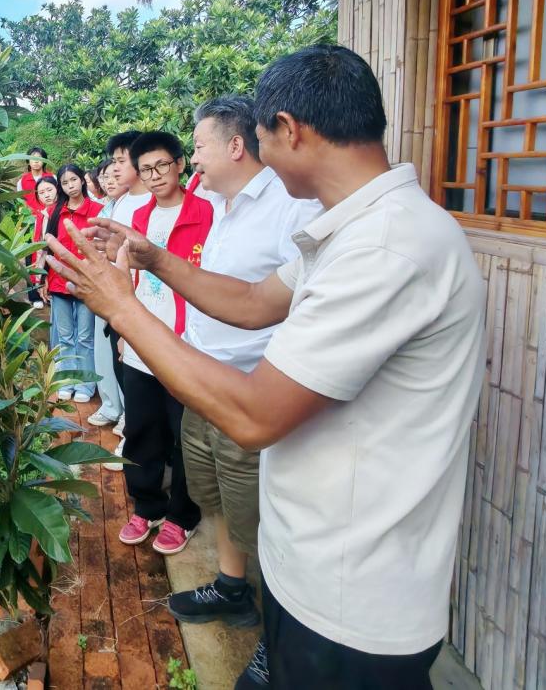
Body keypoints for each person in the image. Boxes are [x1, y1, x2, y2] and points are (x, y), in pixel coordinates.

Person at [46, 45, 486, 690]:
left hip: (351, 597)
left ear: (288, 129)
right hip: (311, 563)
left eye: (261, 138)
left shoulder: (387, 248)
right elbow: (254, 302)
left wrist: (120, 306)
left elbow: (255, 416)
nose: (258, 155)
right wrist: (154, 258)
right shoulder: (353, 229)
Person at [164, 96, 320, 646]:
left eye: (198, 146)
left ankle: (279, 647)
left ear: (235, 146)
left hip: (250, 392)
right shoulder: (221, 205)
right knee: (216, 500)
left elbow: (290, 304)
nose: (192, 158)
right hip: (206, 384)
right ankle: (232, 590)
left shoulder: (290, 207)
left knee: (263, 519)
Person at [115, 130, 208, 556]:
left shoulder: (207, 213)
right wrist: (123, 332)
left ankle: (182, 515)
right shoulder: (139, 218)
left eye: (162, 166)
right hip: (141, 343)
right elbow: (130, 278)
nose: (154, 176)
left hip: (184, 345)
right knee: (141, 429)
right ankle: (147, 505)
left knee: (184, 435)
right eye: (146, 169)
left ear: (180, 163)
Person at [99, 132, 152, 468]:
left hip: (137, 305)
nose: (115, 169)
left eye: (121, 161)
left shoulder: (151, 203)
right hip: (117, 302)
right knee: (124, 372)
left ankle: (136, 444)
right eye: (114, 161)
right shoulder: (122, 201)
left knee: (140, 380)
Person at [45, 163, 101, 404]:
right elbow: (48, 247)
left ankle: (86, 384)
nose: (70, 186)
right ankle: (67, 381)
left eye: (74, 180)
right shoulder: (56, 212)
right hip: (58, 283)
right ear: (61, 186)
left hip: (87, 283)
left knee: (85, 337)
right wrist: (43, 279)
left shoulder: (97, 210)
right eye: (65, 182)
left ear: (83, 180)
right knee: (65, 337)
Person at [87, 160, 124, 429]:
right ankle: (111, 405)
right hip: (102, 285)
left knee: (123, 355)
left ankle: (127, 413)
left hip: (121, 291)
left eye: (114, 175)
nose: (109, 181)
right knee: (104, 350)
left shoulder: (134, 206)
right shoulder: (107, 208)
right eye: (104, 176)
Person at [18, 147, 53, 308]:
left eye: (40, 158)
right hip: (31, 223)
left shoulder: (51, 178)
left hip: (48, 220)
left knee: (49, 256)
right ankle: (34, 296)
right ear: (28, 161)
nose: (36, 161)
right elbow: (20, 203)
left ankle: (50, 292)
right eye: (33, 158)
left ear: (44, 160)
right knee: (31, 259)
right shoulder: (22, 181)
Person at [29, 176, 60, 313]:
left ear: (57, 189)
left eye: (49, 190)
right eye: (41, 192)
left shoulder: (61, 211)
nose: (46, 195)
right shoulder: (41, 214)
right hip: (44, 257)